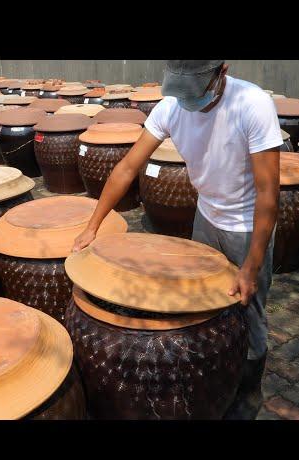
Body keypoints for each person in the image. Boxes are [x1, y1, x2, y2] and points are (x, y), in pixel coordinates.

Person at [72, 60, 283, 419]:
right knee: (201, 303)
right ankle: (212, 375)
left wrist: (252, 264)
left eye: (196, 89)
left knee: (249, 310)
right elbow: (127, 167)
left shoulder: (253, 104)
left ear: (222, 72)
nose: (188, 100)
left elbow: (268, 194)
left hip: (247, 224)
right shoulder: (170, 107)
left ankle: (247, 393)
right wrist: (93, 224)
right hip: (207, 215)